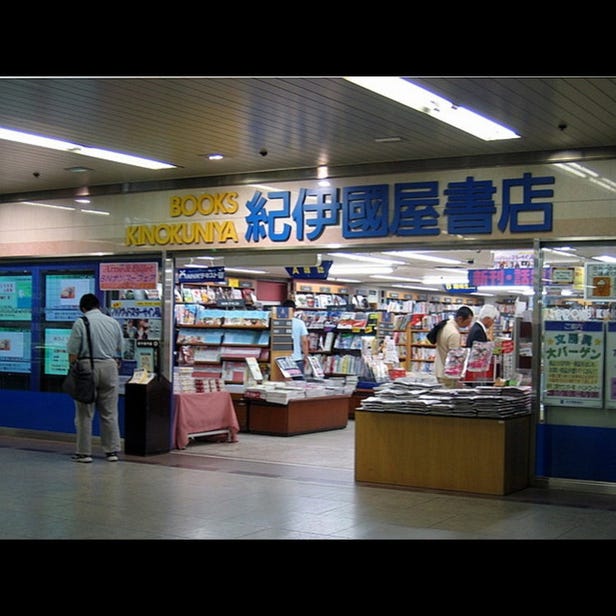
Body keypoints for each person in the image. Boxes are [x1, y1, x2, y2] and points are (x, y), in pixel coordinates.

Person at [66, 293, 123, 463]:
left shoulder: (81, 322)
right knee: (110, 412)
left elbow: (73, 352)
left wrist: (73, 369)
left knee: (84, 413)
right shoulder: (113, 322)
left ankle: (84, 453)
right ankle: (111, 451)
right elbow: (121, 348)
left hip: (86, 369)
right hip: (110, 367)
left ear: (83, 308)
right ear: (98, 306)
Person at [433, 305, 474, 388]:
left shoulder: (445, 326)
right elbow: (455, 359)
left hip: (439, 369)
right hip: (448, 375)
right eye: (468, 321)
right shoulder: (454, 333)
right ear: (460, 319)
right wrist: (459, 376)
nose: (469, 324)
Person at [281, 299, 309, 374]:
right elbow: (304, 341)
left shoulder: (278, 322)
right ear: (294, 310)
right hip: (296, 358)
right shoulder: (300, 323)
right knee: (298, 383)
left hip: (281, 359)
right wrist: (306, 356)